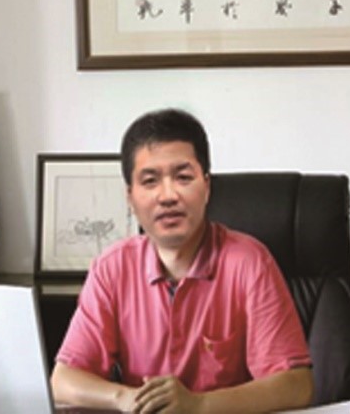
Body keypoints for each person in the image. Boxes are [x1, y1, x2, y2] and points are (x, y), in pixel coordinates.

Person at [51, 108, 314, 413]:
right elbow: (63, 380)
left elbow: (296, 386)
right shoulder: (112, 268)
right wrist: (125, 398)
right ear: (130, 197)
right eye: (150, 181)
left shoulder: (249, 263)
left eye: (183, 177)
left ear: (207, 186)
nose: (168, 196)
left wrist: (199, 405)